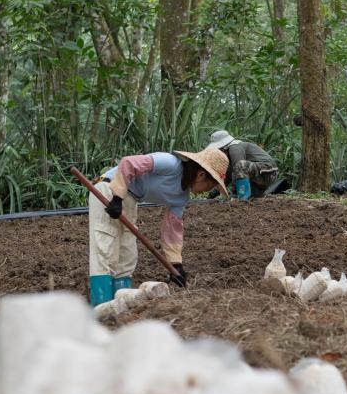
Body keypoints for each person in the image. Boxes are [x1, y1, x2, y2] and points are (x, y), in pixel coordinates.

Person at [87, 148, 229, 306]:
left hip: (130, 199)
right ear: (201, 175)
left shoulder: (181, 197)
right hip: (108, 190)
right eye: (209, 186)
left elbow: (172, 229)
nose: (207, 190)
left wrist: (175, 264)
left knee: (127, 256)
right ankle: (100, 305)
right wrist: (117, 197)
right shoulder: (170, 163)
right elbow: (128, 163)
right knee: (105, 247)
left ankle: (119, 305)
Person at [205, 130, 279, 200]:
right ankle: (251, 195)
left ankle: (242, 197)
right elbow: (227, 177)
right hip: (262, 173)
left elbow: (239, 169)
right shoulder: (230, 152)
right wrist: (211, 194)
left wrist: (234, 192)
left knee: (240, 165)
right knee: (238, 169)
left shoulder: (234, 147)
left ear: (222, 147)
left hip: (267, 170)